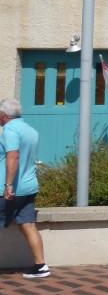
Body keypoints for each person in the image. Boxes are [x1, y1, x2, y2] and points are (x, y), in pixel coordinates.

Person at [1, 98, 49, 279]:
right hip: (29, 187)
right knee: (28, 224)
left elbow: (13, 156)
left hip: (10, 190)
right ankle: (41, 266)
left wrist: (8, 185)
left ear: (4, 115)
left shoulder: (10, 130)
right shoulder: (30, 130)